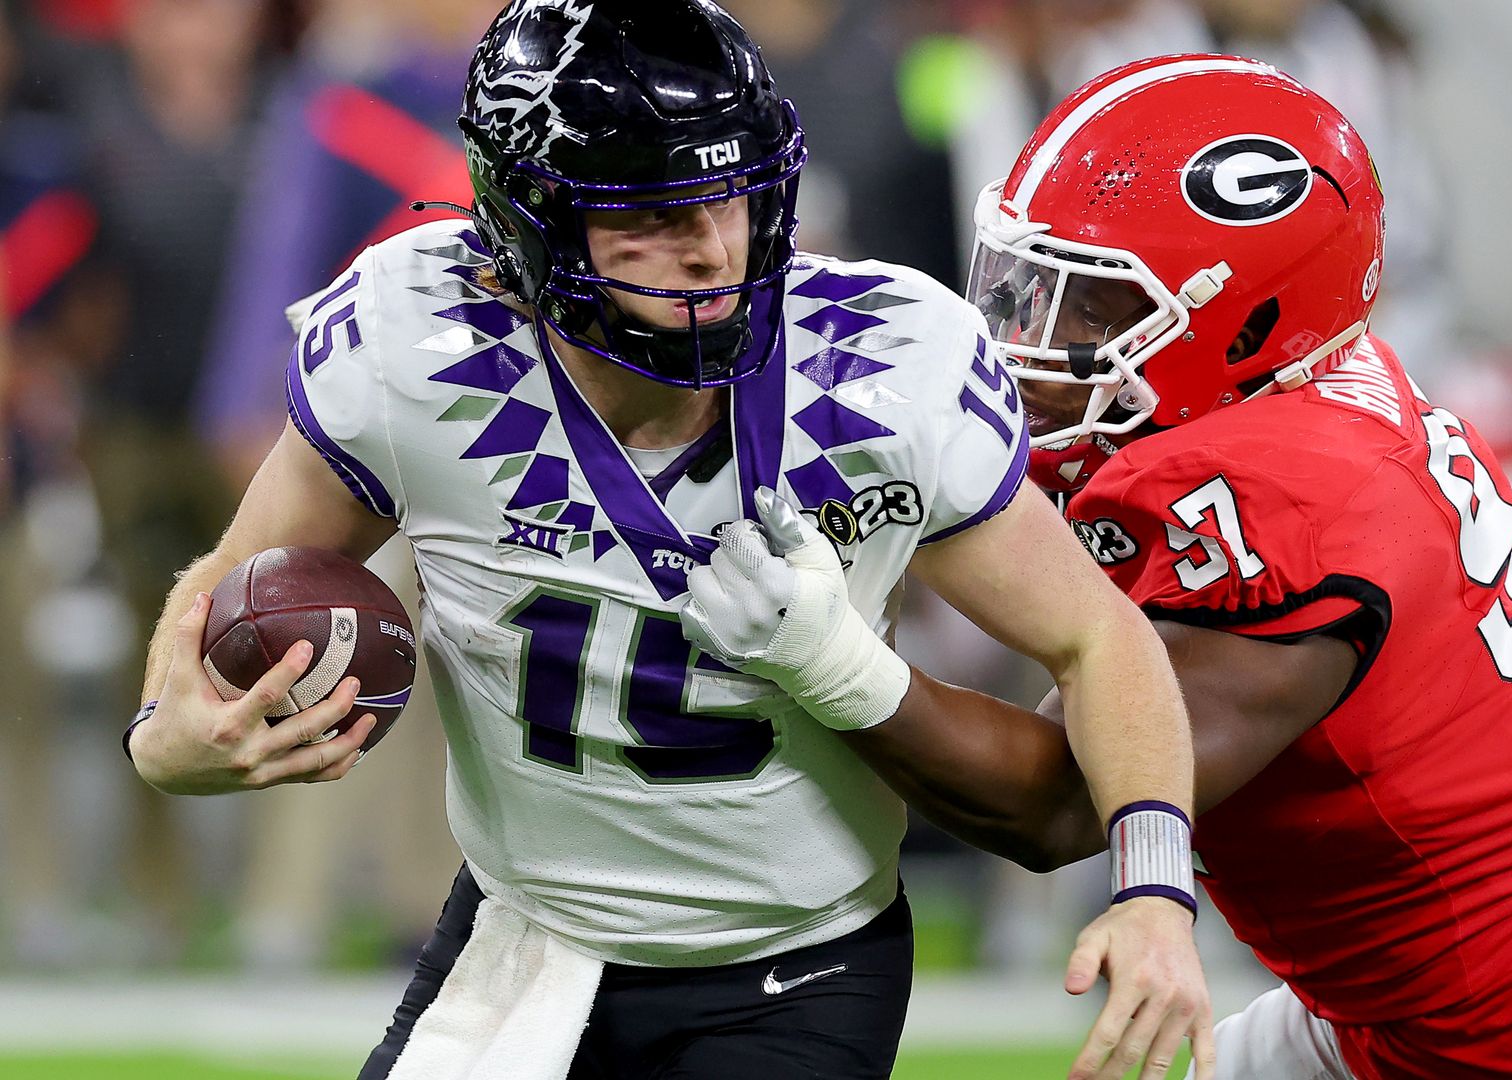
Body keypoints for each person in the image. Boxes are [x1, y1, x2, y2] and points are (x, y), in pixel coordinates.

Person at [684, 56, 1512, 1079]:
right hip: (1410, 1017)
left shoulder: (1292, 499)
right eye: (1024, 285)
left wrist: (828, 656)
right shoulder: (1283, 403)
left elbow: (1062, 796)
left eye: (1089, 308)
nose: (1034, 342)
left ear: (1245, 320)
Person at [120, 3, 1211, 1079]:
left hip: (797, 962)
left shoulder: (888, 371)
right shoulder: (415, 343)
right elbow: (233, 576)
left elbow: (1100, 639)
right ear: (529, 216)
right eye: (650, 210)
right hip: (524, 938)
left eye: (731, 196)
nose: (709, 249)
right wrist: (165, 733)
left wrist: (1156, 896)